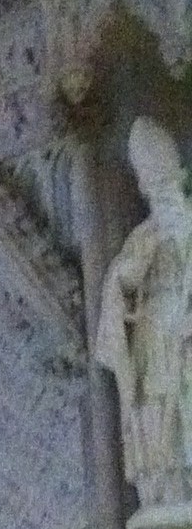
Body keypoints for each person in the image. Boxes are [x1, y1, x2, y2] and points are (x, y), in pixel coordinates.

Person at [97, 117, 192, 509]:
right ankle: (167, 494)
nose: (157, 190)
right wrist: (129, 272)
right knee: (158, 424)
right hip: (153, 340)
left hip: (185, 335)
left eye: (163, 179)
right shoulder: (143, 236)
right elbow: (120, 285)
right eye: (150, 183)